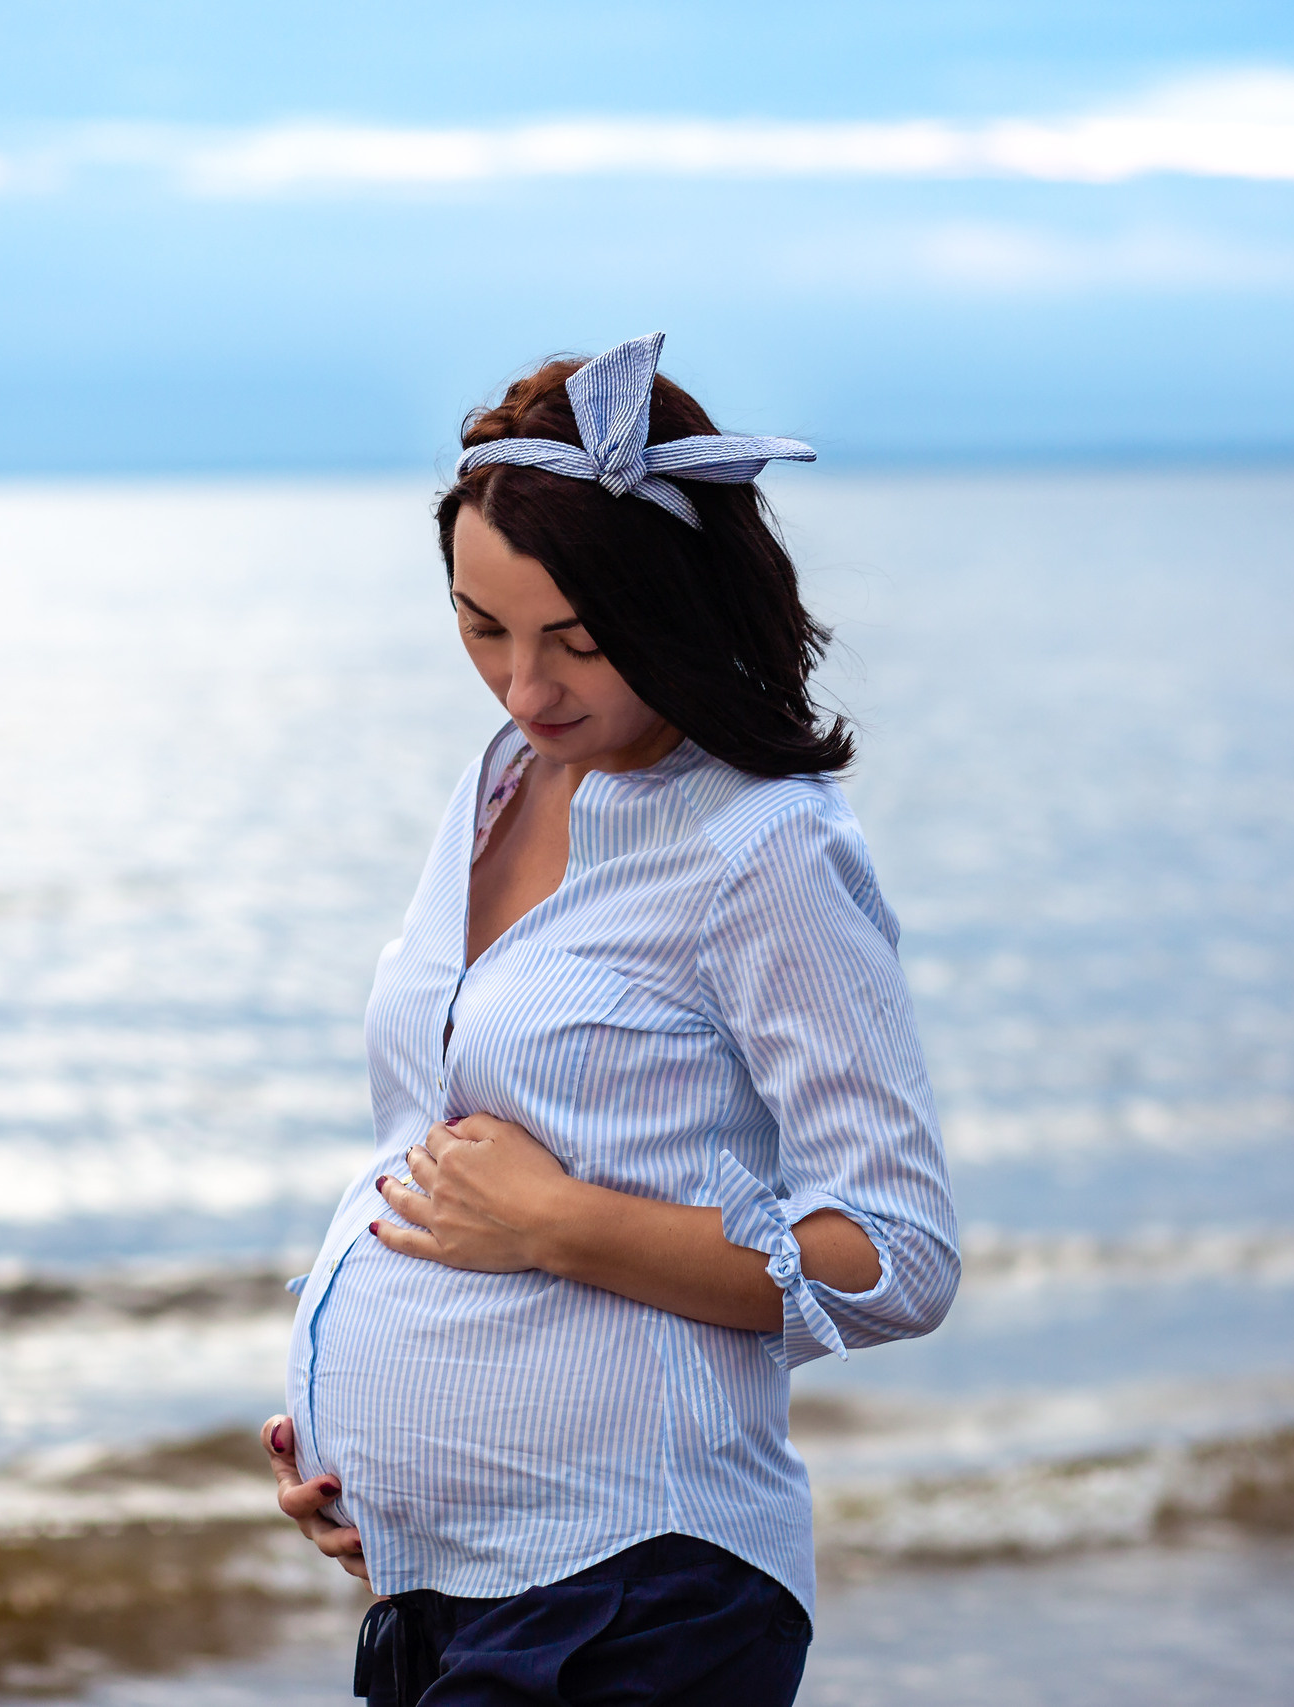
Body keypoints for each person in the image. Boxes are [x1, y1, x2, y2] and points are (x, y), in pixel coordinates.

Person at [259, 333, 959, 1706]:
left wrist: (557, 1226)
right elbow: (433, 1146)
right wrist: (374, 1467)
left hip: (641, 1593)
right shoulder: (502, 784)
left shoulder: (768, 848)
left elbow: (898, 1253)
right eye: (483, 628)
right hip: (439, 1589)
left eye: (578, 642)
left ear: (676, 609)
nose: (527, 690)